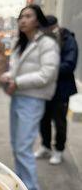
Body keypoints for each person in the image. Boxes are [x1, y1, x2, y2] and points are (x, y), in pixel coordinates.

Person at [0, 5, 60, 190]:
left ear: (38, 20)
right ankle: (21, 186)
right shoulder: (21, 42)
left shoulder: (47, 43)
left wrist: (17, 82)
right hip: (18, 97)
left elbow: (47, 74)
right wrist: (7, 77)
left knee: (23, 147)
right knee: (17, 145)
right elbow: (16, 71)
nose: (23, 20)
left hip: (32, 99)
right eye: (20, 17)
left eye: (28, 16)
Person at [34, 15, 78, 164]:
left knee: (59, 122)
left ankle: (59, 150)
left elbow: (70, 64)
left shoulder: (68, 39)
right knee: (43, 120)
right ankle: (45, 146)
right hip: (45, 90)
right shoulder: (43, 41)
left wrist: (49, 70)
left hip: (61, 90)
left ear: (54, 27)